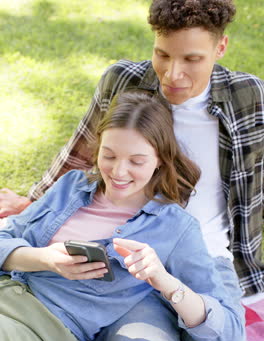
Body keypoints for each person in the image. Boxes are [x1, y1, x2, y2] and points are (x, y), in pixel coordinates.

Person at [0, 92, 244, 341]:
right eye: (109, 155)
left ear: (160, 159)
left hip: (38, 337)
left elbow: (225, 330)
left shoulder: (174, 228)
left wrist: (165, 281)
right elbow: (6, 235)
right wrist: (45, 259)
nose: (118, 171)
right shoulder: (72, 188)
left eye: (136, 160)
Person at [0, 0, 263, 298]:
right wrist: (33, 203)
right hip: (127, 258)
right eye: (162, 54)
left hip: (209, 257)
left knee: (216, 340)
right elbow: (82, 152)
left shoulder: (249, 97)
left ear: (221, 47)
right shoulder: (124, 81)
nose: (172, 74)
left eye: (192, 59)